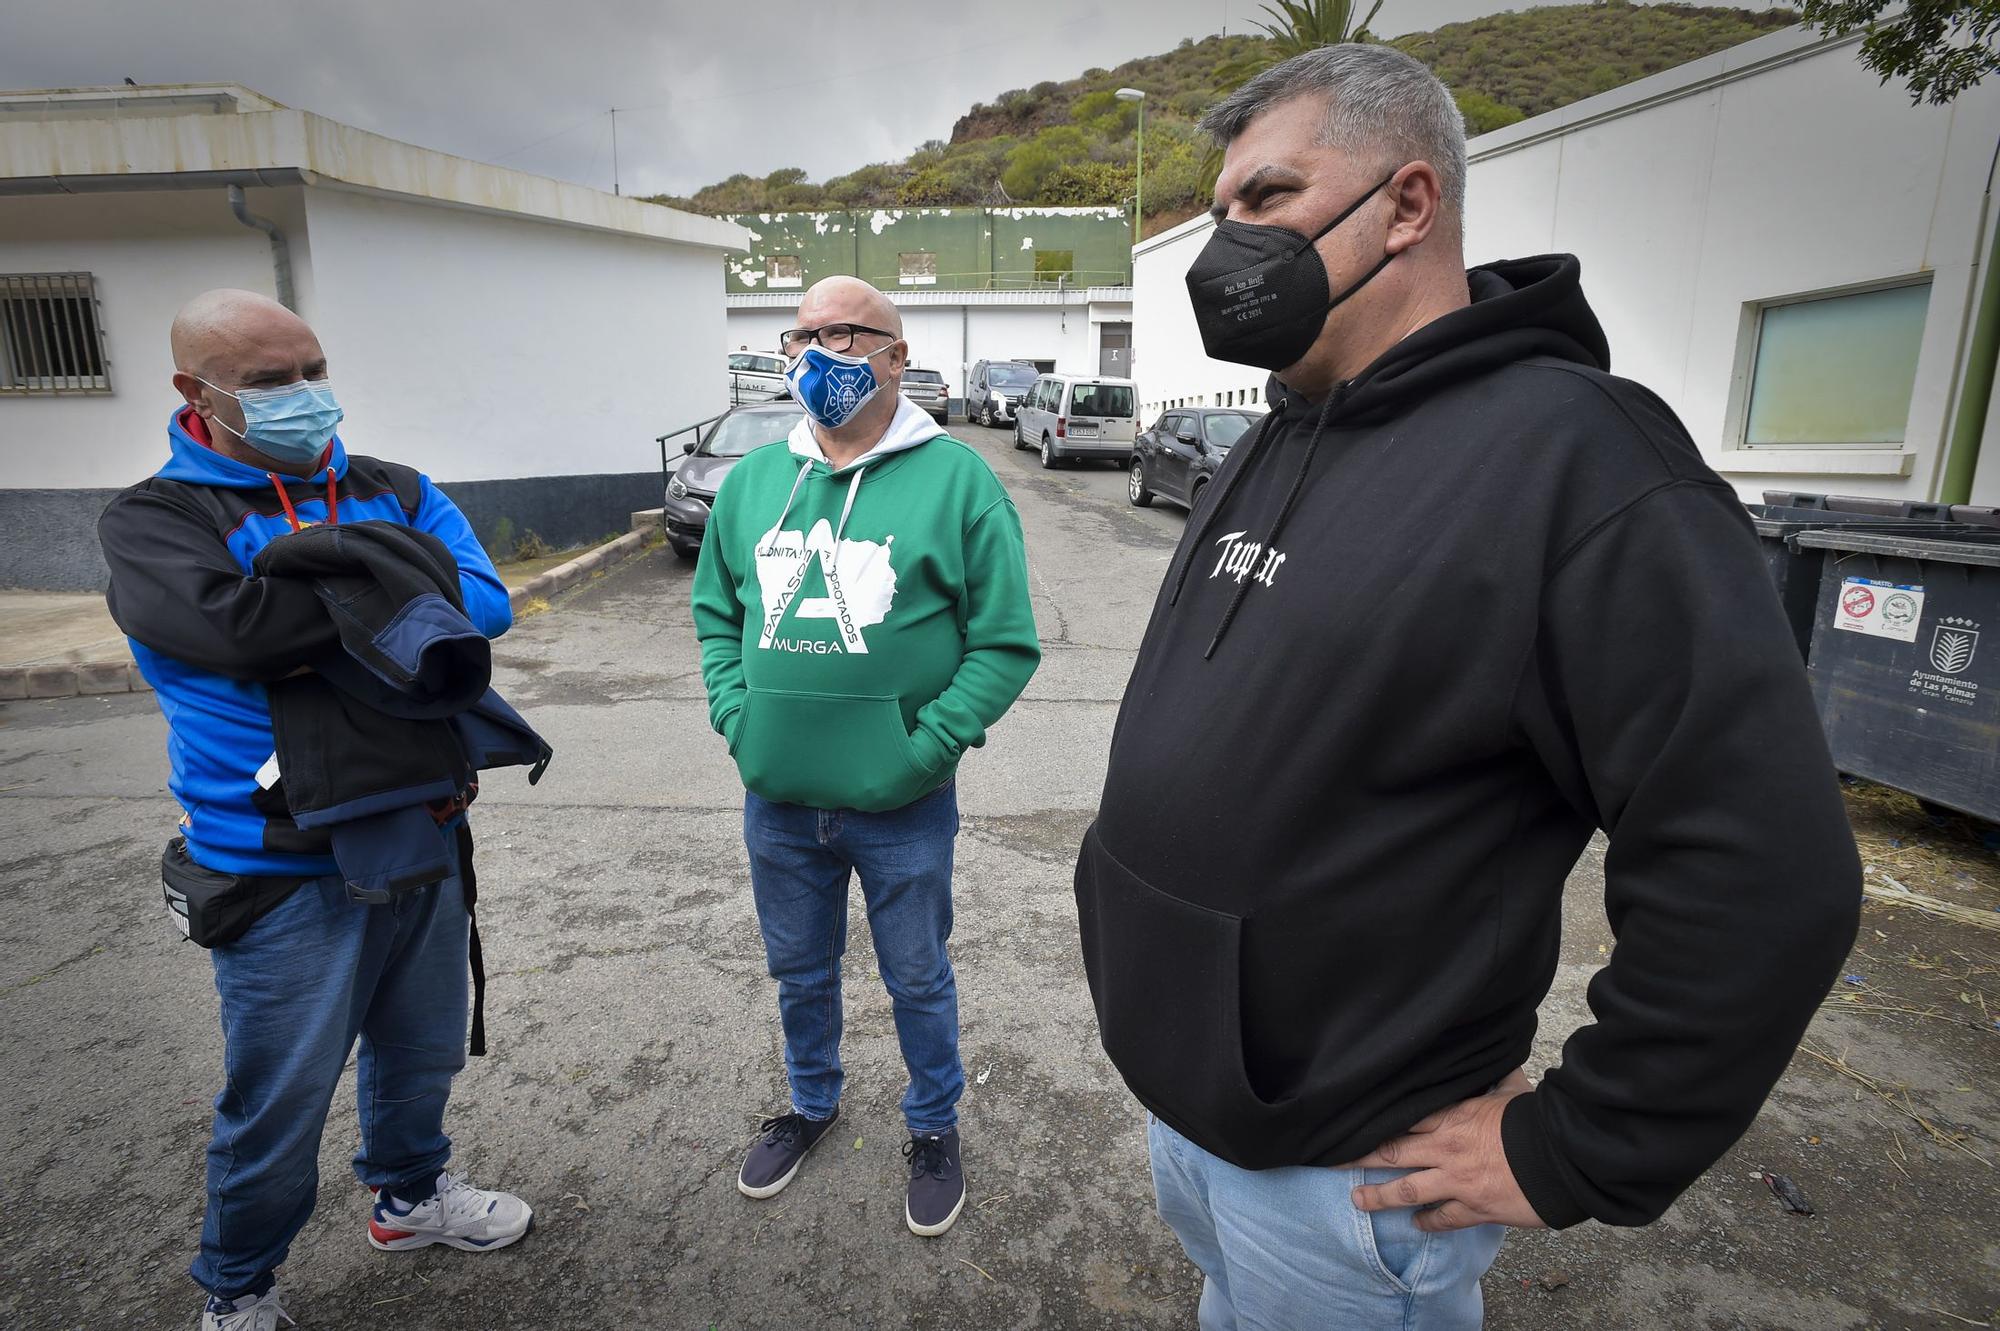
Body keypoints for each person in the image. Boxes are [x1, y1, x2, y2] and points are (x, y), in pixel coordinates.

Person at [1073, 45, 1861, 1330]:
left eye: (1265, 199)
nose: (1227, 246)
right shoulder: (1276, 432)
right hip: (1200, 1124)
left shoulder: (1580, 462)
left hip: (1352, 1184)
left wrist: (1577, 1141)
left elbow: (1763, 865)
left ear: (1407, 204)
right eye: (1220, 214)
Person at [98, 290, 533, 1331]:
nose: (305, 395)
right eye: (269, 380)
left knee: (419, 1047)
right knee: (278, 1100)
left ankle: (410, 1194)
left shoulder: (398, 484)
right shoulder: (156, 518)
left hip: (421, 824)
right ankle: (237, 1285)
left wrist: (321, 607)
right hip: (277, 862)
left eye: (312, 368)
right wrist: (396, 593)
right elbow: (234, 632)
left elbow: (482, 606)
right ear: (195, 392)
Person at [693, 276, 1040, 1237]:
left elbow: (1006, 641)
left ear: (895, 352)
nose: (818, 353)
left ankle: (932, 1124)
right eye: (802, 334)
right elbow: (717, 610)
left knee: (917, 976)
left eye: (843, 334)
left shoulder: (959, 480)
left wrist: (925, 747)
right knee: (800, 972)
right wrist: (737, 714)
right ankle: (811, 1103)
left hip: (904, 806)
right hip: (780, 802)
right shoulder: (759, 479)